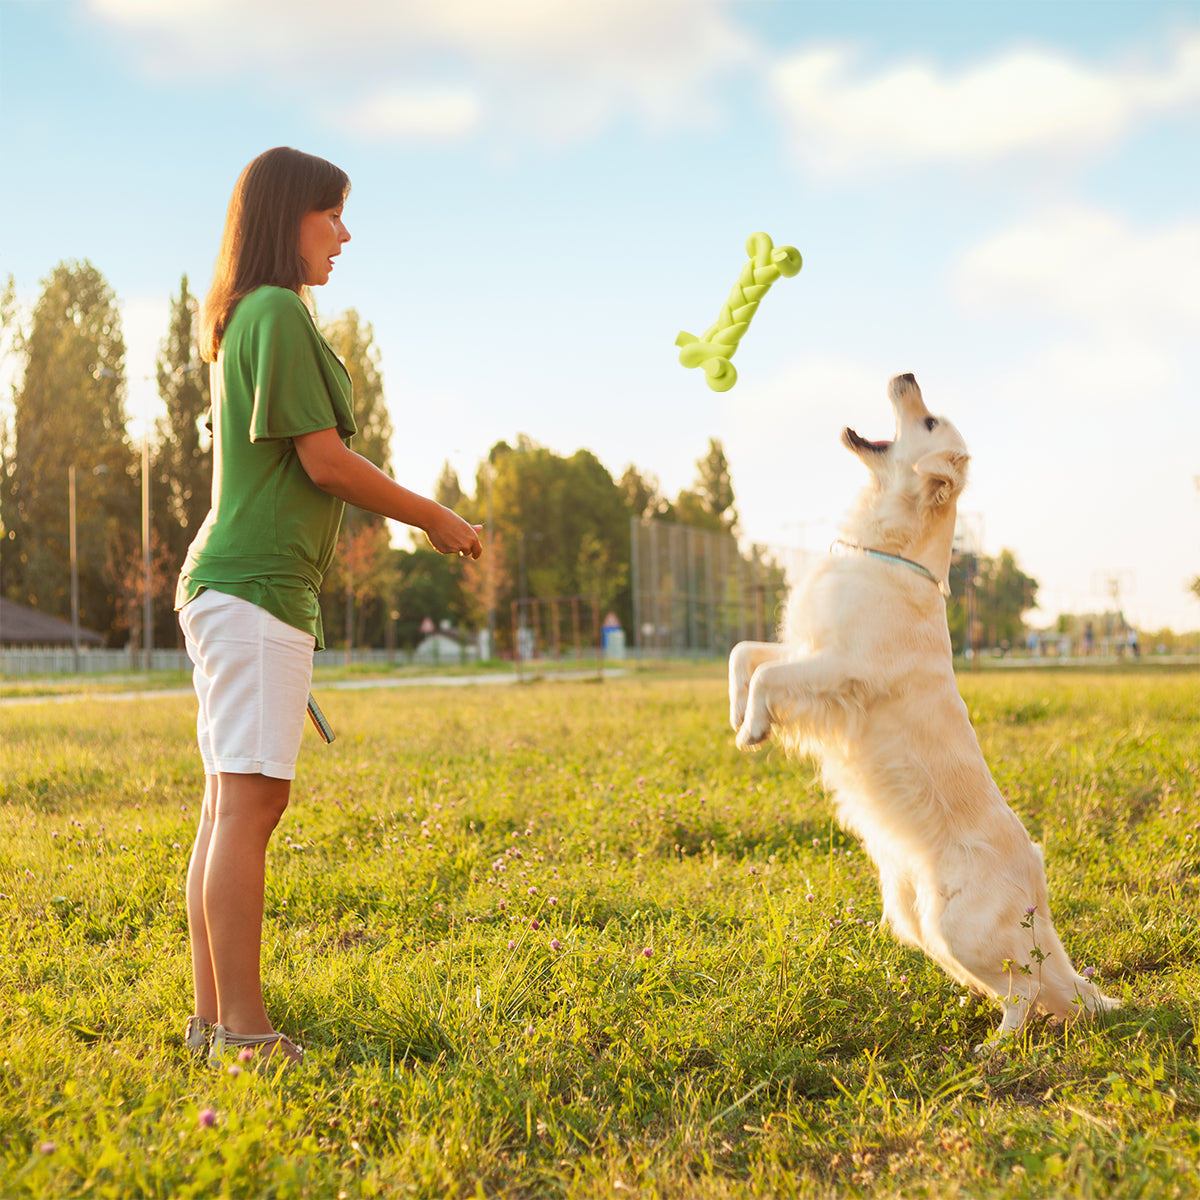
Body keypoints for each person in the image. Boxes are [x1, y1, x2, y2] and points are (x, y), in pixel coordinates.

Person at [176, 146, 482, 1065]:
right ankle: (245, 1031)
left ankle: (212, 1022)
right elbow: (322, 460)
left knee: (229, 805)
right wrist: (434, 515)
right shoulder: (272, 312)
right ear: (286, 217)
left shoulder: (261, 316)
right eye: (330, 214)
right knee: (248, 808)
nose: (344, 233)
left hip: (246, 588)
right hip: (254, 588)